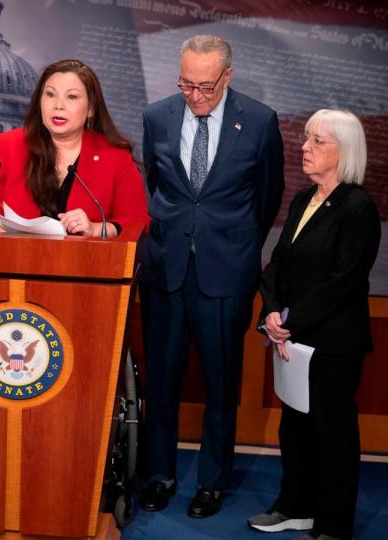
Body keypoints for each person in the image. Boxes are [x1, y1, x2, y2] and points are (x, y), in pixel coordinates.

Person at [138, 34, 285, 518]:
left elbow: (267, 197)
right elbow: (155, 187)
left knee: (221, 387)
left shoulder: (260, 121)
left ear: (227, 76)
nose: (194, 95)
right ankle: (159, 475)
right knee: (161, 383)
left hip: (226, 274)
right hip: (166, 272)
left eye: (205, 86)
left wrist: (231, 243)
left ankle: (211, 482)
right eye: (186, 83)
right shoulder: (158, 115)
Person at [248, 109, 379, 540]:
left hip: (333, 344)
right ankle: (295, 507)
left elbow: (342, 282)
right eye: (306, 138)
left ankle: (333, 525)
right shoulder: (305, 199)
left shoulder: (358, 208)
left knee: (332, 433)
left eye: (317, 141)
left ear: (345, 152)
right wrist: (271, 311)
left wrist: (289, 320)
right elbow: (277, 265)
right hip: (292, 339)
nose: (304, 147)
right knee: (295, 427)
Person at [0, 59, 148, 235]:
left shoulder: (115, 156)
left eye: (72, 97)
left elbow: (137, 222)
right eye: (50, 94)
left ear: (91, 108)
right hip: (16, 259)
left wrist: (95, 229)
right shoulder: (9, 145)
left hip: (86, 261)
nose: (58, 106)